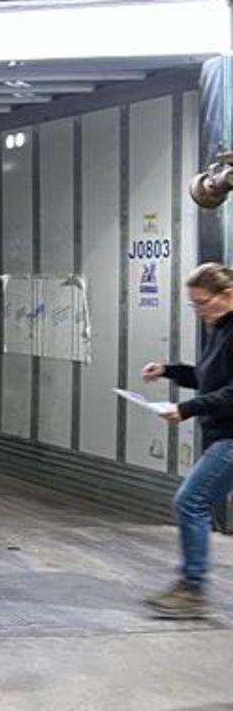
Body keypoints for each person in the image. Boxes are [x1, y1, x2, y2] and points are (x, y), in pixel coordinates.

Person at [143, 262, 233, 617]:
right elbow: (208, 377)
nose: (198, 311)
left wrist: (187, 409)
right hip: (221, 434)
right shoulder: (220, 329)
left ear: (228, 295)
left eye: (202, 303)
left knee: (190, 501)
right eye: (193, 305)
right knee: (193, 501)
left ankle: (192, 590)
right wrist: (168, 370)